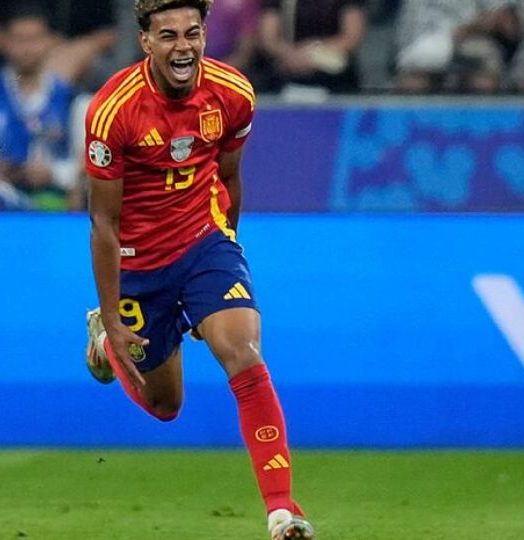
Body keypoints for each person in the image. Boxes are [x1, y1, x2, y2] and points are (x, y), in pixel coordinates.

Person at [83, 1, 314, 539]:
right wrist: (114, 317)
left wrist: (224, 255)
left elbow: (229, 178)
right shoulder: (113, 111)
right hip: (139, 264)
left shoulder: (233, 93)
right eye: (168, 36)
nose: (182, 46)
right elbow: (104, 224)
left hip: (204, 243)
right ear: (146, 42)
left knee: (243, 350)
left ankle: (282, 511)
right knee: (165, 405)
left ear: (205, 35)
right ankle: (103, 342)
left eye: (192, 33)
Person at [0, 3, 81, 211]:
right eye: (19, 40)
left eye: (34, 39)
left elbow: (90, 164)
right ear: (4, 42)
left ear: (51, 41)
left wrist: (54, 173)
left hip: (56, 206)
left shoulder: (72, 99)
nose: (27, 49)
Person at [256, 0, 366, 94]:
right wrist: (291, 55)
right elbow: (269, 39)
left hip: (335, 77)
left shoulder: (347, 3)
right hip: (287, 74)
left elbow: (351, 37)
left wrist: (312, 54)